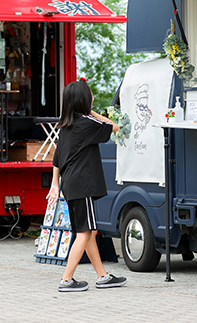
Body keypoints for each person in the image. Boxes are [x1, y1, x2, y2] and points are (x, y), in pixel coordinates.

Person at [47, 78, 127, 292]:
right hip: (83, 185)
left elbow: (57, 158)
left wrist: (54, 184)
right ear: (84, 100)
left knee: (88, 231)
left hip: (71, 184)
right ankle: (66, 280)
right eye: (89, 94)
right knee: (85, 232)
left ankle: (102, 276)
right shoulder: (86, 123)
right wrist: (92, 112)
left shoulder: (66, 126)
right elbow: (115, 127)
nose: (92, 96)